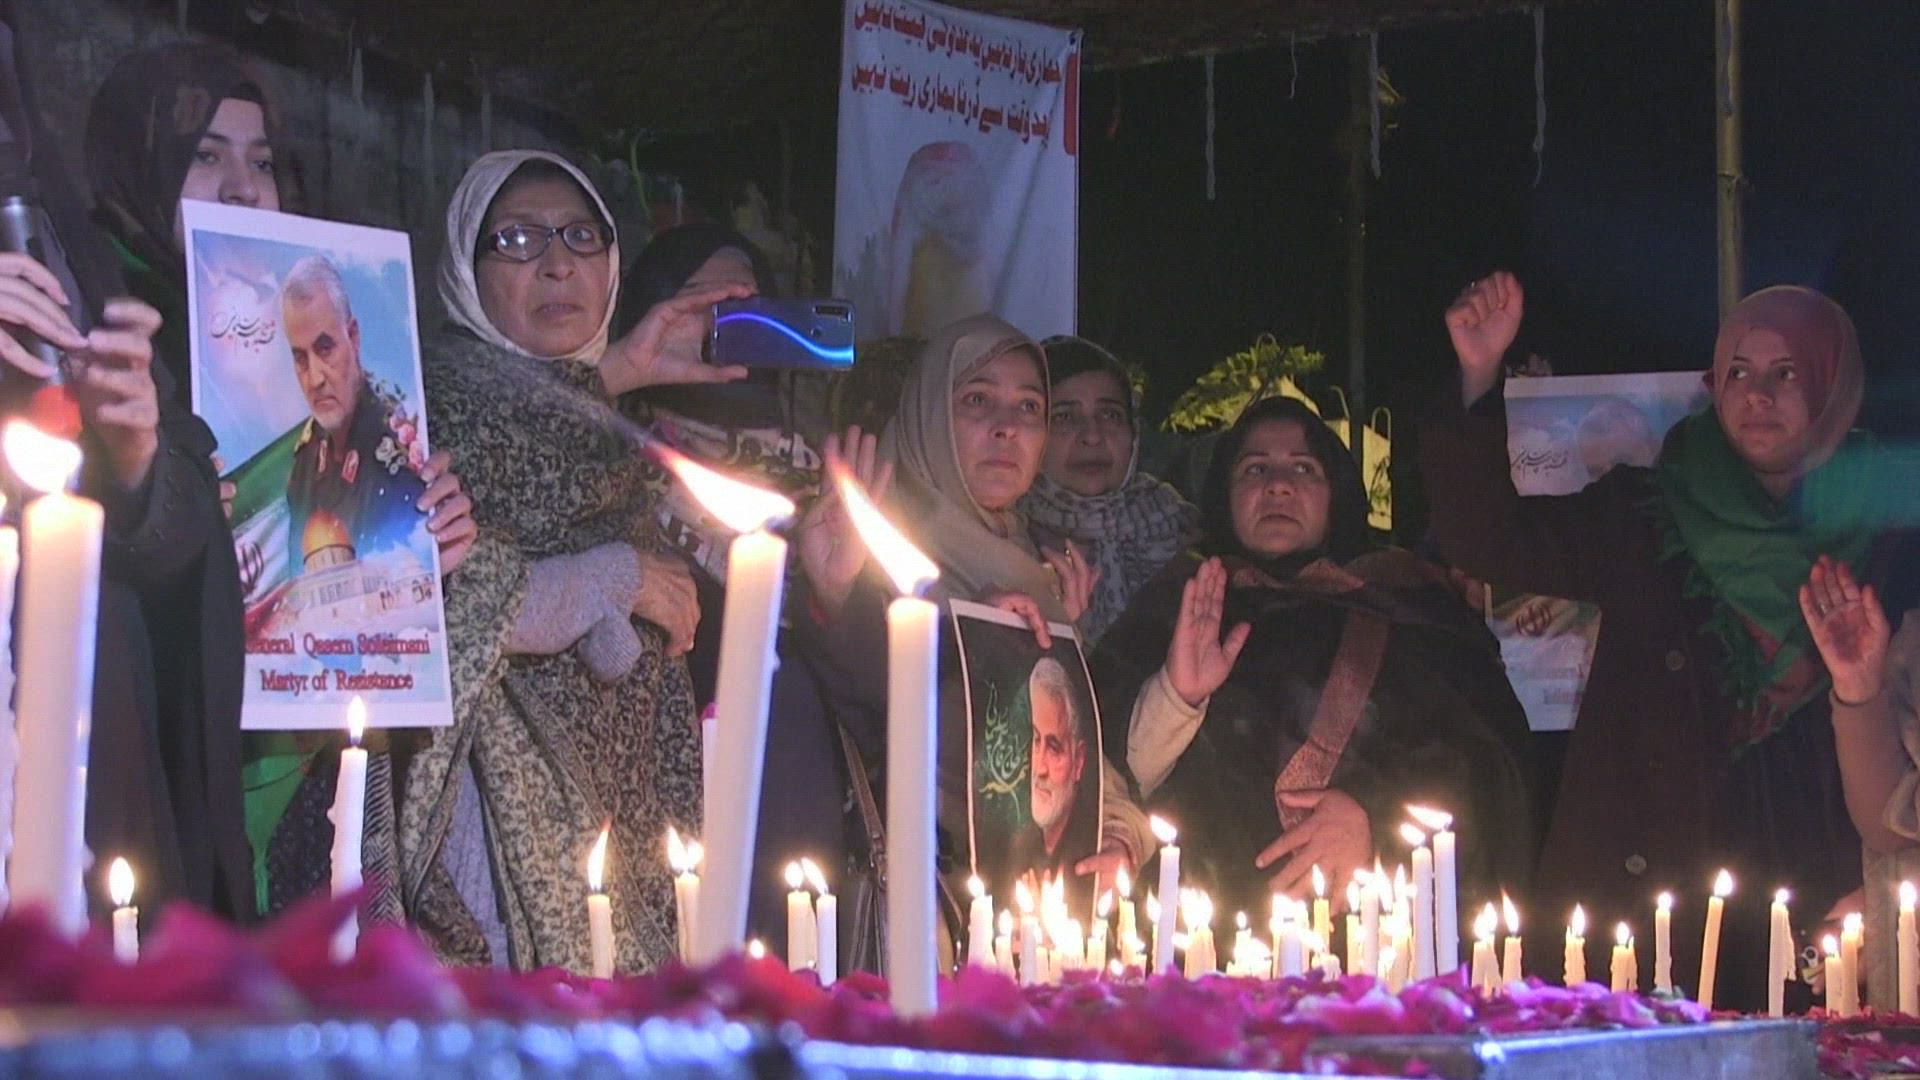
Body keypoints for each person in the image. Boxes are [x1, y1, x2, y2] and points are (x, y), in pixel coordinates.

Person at [1421, 273, 1920, 1009]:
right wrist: (1477, 373)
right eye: (1738, 373)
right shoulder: (1650, 507)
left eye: (1787, 373)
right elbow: (1492, 540)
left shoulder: (1890, 533)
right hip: (1651, 873)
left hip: (1818, 877)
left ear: (1833, 386)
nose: (1758, 395)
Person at [84, 41, 474, 921]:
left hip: (300, 764)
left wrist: (420, 553)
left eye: (261, 163)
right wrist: (163, 491)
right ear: (137, 163)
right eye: (205, 157)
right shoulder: (94, 321)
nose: (241, 190)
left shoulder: (344, 404)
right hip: (153, 763)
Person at [400, 150, 739, 974]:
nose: (557, 264)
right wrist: (615, 577)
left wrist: (612, 372)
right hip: (486, 819)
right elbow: (428, 600)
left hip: (621, 818)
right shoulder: (420, 408)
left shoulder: (600, 426)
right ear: (465, 270)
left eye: (581, 236)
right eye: (517, 240)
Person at [796, 314, 1152, 965]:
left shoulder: (1033, 564)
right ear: (930, 412)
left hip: (1028, 924)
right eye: (976, 400)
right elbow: (866, 715)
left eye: (1029, 407)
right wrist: (844, 594)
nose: (1006, 427)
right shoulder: (868, 538)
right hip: (925, 927)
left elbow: (1071, 755)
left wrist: (1116, 836)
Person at [1093, 396, 1534, 920]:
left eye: (1303, 468)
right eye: (1255, 469)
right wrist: (1175, 693)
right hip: (1202, 928)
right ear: (1223, 495)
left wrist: (1375, 813)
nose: (1278, 486)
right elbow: (1101, 765)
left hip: (1376, 924)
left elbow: (1487, 761)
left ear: (1337, 493)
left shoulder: (1410, 602)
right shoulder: (1179, 604)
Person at [1020, 335, 1197, 644]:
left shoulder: (1180, 533)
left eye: (1110, 414)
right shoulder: (1003, 540)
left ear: (1133, 433)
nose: (1092, 436)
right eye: (1064, 417)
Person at [280, 255, 429, 564]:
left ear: (353, 337)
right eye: (300, 358)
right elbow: (297, 568)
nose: (315, 378)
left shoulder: (400, 447)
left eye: (325, 349)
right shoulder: (305, 460)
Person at [1008, 657, 1098, 886]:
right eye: (1037, 740)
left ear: (1079, 761)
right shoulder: (1020, 846)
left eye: (1054, 748)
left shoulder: (1090, 853)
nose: (1039, 769)